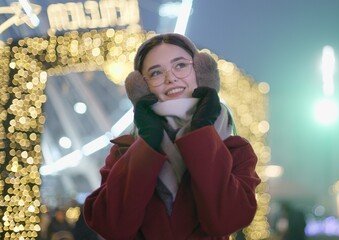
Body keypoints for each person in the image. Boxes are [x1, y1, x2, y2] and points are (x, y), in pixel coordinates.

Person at [83, 33, 261, 239]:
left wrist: (202, 132)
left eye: (180, 66)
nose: (170, 78)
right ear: (142, 87)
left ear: (201, 73)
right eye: (156, 72)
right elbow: (111, 226)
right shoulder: (123, 152)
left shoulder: (235, 149)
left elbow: (226, 221)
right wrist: (148, 145)